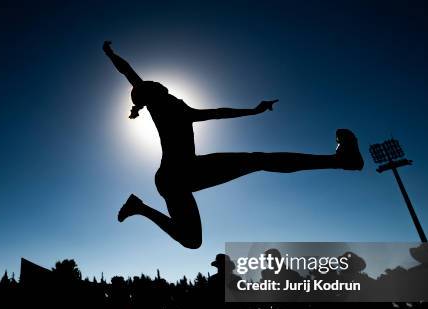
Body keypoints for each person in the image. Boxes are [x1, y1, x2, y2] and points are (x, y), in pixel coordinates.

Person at [104, 41, 364, 249]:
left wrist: (253, 111)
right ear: (155, 93)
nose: (163, 84)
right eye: (158, 86)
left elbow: (218, 112)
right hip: (176, 175)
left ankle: (139, 207)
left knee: (193, 240)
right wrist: (111, 54)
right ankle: (340, 161)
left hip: (179, 175)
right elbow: (129, 72)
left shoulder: (177, 108)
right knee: (258, 160)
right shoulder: (162, 107)